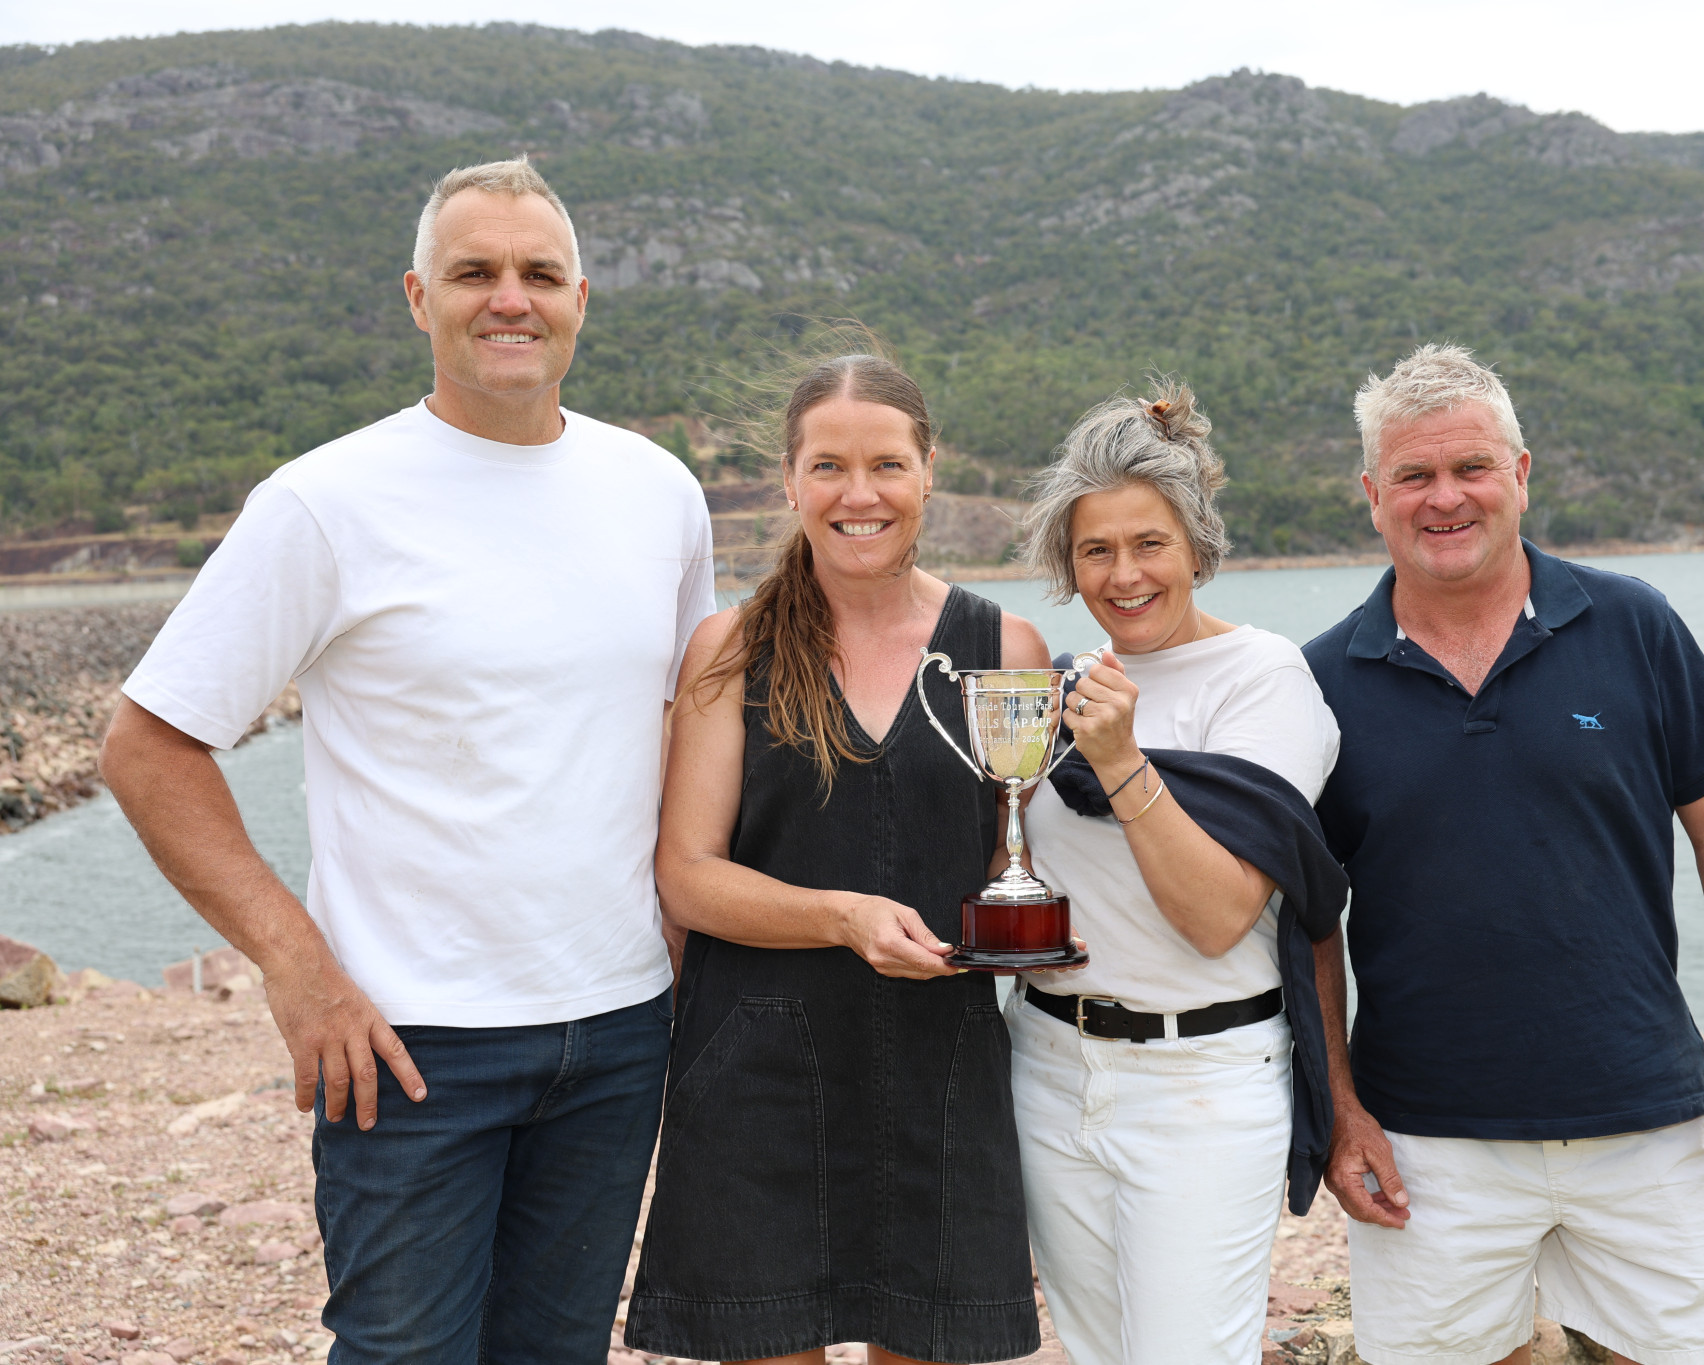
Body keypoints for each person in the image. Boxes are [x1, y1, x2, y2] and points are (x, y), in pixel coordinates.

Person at [97, 157, 716, 1364]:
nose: (509, 299)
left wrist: (690, 931)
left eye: (538, 274)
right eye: (473, 272)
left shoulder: (657, 492)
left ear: (581, 298)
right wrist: (296, 965)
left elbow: (678, 718)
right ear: (416, 297)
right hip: (406, 1044)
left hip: (621, 1026)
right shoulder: (325, 503)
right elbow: (147, 744)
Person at [1302, 343, 1704, 1365]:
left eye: (1470, 468)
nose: (1445, 497)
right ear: (1370, 494)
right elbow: (1309, 920)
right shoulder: (1319, 681)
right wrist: (1338, 1109)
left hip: (1647, 1114)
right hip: (1424, 1141)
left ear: (1519, 474)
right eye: (1413, 476)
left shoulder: (1632, 625)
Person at [626, 349, 1046, 1365]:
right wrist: (843, 918)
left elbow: (1014, 861)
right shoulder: (728, 650)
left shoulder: (1007, 650)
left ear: (928, 469)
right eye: (827, 467)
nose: (859, 495)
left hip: (938, 1070)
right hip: (755, 1071)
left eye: (886, 466)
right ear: (788, 479)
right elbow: (684, 872)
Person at [1006, 381, 1346, 1365]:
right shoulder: (1062, 685)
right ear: (1066, 566)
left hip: (1198, 1083)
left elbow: (1215, 916)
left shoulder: (1263, 681)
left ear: (1195, 545)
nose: (1123, 574)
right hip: (1050, 1064)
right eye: (1094, 550)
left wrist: (1119, 762)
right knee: (1096, 1349)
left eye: (1148, 543)